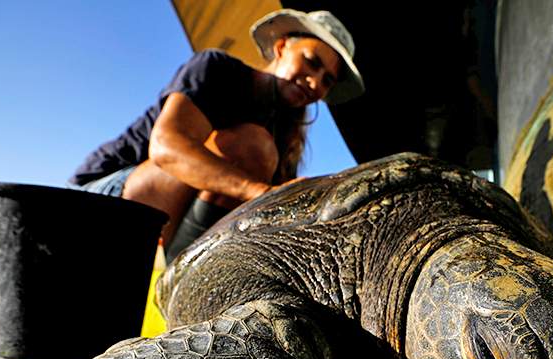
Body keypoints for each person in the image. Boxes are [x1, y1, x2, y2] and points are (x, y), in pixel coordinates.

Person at [68, 9, 364, 262]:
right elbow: (165, 146)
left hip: (168, 224)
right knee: (253, 147)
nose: (315, 82)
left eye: (327, 80)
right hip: (101, 198)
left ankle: (183, 278)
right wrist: (261, 192)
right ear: (282, 46)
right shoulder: (217, 69)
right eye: (312, 61)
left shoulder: (284, 133)